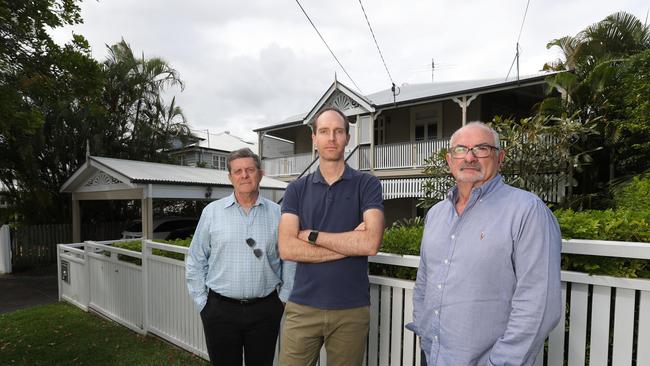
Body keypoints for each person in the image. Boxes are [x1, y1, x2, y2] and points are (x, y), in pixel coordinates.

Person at [407, 122, 562, 366]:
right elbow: (425, 281)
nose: (469, 157)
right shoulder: (437, 214)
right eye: (461, 149)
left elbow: (539, 305)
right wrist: (425, 333)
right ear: (449, 160)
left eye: (482, 148)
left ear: (500, 157)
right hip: (434, 356)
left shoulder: (527, 211)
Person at [278, 107, 385, 366]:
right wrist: (350, 243)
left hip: (351, 309)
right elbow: (288, 249)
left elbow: (370, 243)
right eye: (324, 131)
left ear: (348, 138)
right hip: (302, 306)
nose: (332, 138)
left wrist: (312, 235)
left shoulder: (367, 184)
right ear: (314, 138)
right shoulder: (296, 189)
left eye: (338, 131)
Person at [185, 147, 295, 366]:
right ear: (230, 177)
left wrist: (282, 300)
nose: (244, 175)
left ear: (260, 174)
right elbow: (196, 259)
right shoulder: (212, 213)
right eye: (238, 171)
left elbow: (289, 259)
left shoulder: (279, 214)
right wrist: (202, 303)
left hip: (265, 310)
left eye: (250, 170)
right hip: (219, 311)